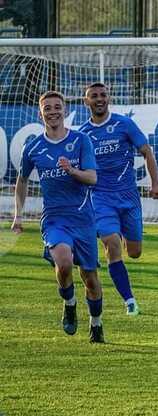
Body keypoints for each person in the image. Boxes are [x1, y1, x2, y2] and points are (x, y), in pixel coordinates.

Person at [12, 91, 105, 343]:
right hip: (54, 219)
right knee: (63, 263)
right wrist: (18, 215)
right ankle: (70, 303)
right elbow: (22, 181)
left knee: (90, 278)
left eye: (57, 107)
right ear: (40, 113)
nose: (53, 112)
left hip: (83, 219)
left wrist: (72, 170)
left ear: (64, 110)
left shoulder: (81, 140)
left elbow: (92, 178)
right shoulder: (33, 147)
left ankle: (96, 323)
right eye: (47, 108)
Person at [80, 82, 158, 316]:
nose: (99, 99)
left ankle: (124, 234)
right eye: (94, 96)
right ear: (86, 101)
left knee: (134, 252)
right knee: (111, 243)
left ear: (109, 98)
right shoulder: (83, 134)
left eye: (103, 95)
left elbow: (146, 151)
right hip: (99, 198)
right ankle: (129, 301)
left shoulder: (124, 124)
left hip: (128, 196)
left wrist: (155, 183)